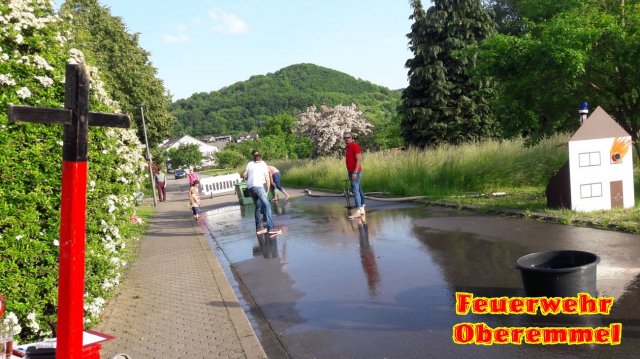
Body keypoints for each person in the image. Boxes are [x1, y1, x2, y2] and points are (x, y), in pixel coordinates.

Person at [243, 150, 281, 236]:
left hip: (250, 188)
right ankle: (271, 228)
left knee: (257, 206)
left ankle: (259, 228)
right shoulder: (263, 164)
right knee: (267, 206)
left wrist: (247, 180)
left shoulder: (249, 164)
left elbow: (244, 174)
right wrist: (267, 190)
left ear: (254, 158)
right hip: (259, 187)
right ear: (261, 158)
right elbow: (267, 179)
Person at [344, 131, 365, 218]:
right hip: (351, 171)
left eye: (348, 137)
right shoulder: (348, 147)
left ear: (351, 138)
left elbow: (359, 159)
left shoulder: (354, 146)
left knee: (355, 191)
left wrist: (355, 172)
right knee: (359, 190)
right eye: (345, 138)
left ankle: (358, 210)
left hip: (355, 172)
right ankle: (362, 208)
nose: (346, 139)